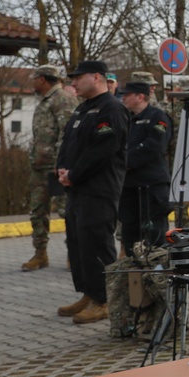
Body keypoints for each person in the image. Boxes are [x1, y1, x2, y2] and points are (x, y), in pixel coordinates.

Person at [55, 59, 129, 324]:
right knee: (78, 244)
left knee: (97, 243)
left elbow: (103, 149)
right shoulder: (83, 109)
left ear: (97, 77)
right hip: (77, 188)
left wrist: (74, 174)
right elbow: (68, 143)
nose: (73, 82)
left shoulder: (112, 108)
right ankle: (89, 292)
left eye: (78, 77)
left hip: (99, 189)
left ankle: (105, 300)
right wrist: (61, 169)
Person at [23, 64, 78, 271]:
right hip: (39, 167)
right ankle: (40, 253)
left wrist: (61, 163)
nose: (33, 82)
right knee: (38, 211)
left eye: (35, 78)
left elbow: (68, 134)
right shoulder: (44, 101)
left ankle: (74, 255)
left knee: (68, 212)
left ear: (43, 80)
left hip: (58, 168)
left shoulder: (62, 99)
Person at [118, 81, 173, 256]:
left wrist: (123, 161)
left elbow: (154, 147)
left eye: (127, 94)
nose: (123, 98)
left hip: (152, 186)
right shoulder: (126, 119)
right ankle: (133, 273)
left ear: (140, 96)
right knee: (130, 232)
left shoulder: (158, 117)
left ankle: (157, 274)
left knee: (154, 234)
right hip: (129, 186)